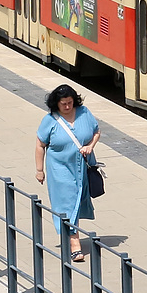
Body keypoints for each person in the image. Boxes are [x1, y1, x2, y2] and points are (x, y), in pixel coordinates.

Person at [35, 83, 99, 262]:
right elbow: (40, 145)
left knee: (78, 200)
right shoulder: (50, 120)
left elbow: (96, 132)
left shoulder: (84, 113)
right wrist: (39, 170)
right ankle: (74, 243)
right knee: (67, 203)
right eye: (63, 103)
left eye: (70, 102)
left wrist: (90, 146)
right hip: (59, 169)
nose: (67, 106)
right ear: (57, 103)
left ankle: (70, 231)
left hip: (82, 167)